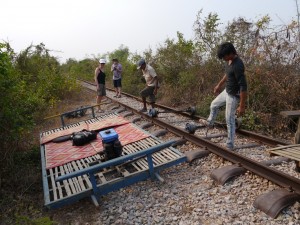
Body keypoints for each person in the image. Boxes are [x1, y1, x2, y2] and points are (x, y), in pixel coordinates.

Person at [200, 42, 247, 150]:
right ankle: (210, 124)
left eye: (224, 56)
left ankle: (230, 145)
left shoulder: (238, 65)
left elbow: (243, 87)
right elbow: (227, 74)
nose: (223, 59)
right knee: (213, 105)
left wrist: (242, 105)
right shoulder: (229, 61)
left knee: (229, 120)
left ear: (231, 53)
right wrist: (218, 85)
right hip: (227, 91)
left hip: (234, 95)